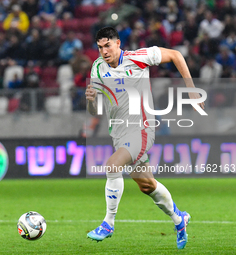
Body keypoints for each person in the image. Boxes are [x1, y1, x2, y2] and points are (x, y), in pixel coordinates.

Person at [85, 27, 205, 249]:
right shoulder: (98, 68)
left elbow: (176, 55)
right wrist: (91, 100)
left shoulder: (138, 58)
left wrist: (191, 89)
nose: (104, 51)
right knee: (147, 185)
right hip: (119, 134)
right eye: (100, 47)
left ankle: (108, 224)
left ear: (118, 43)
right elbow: (95, 111)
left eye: (108, 45)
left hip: (141, 129)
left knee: (112, 166)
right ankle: (180, 219)